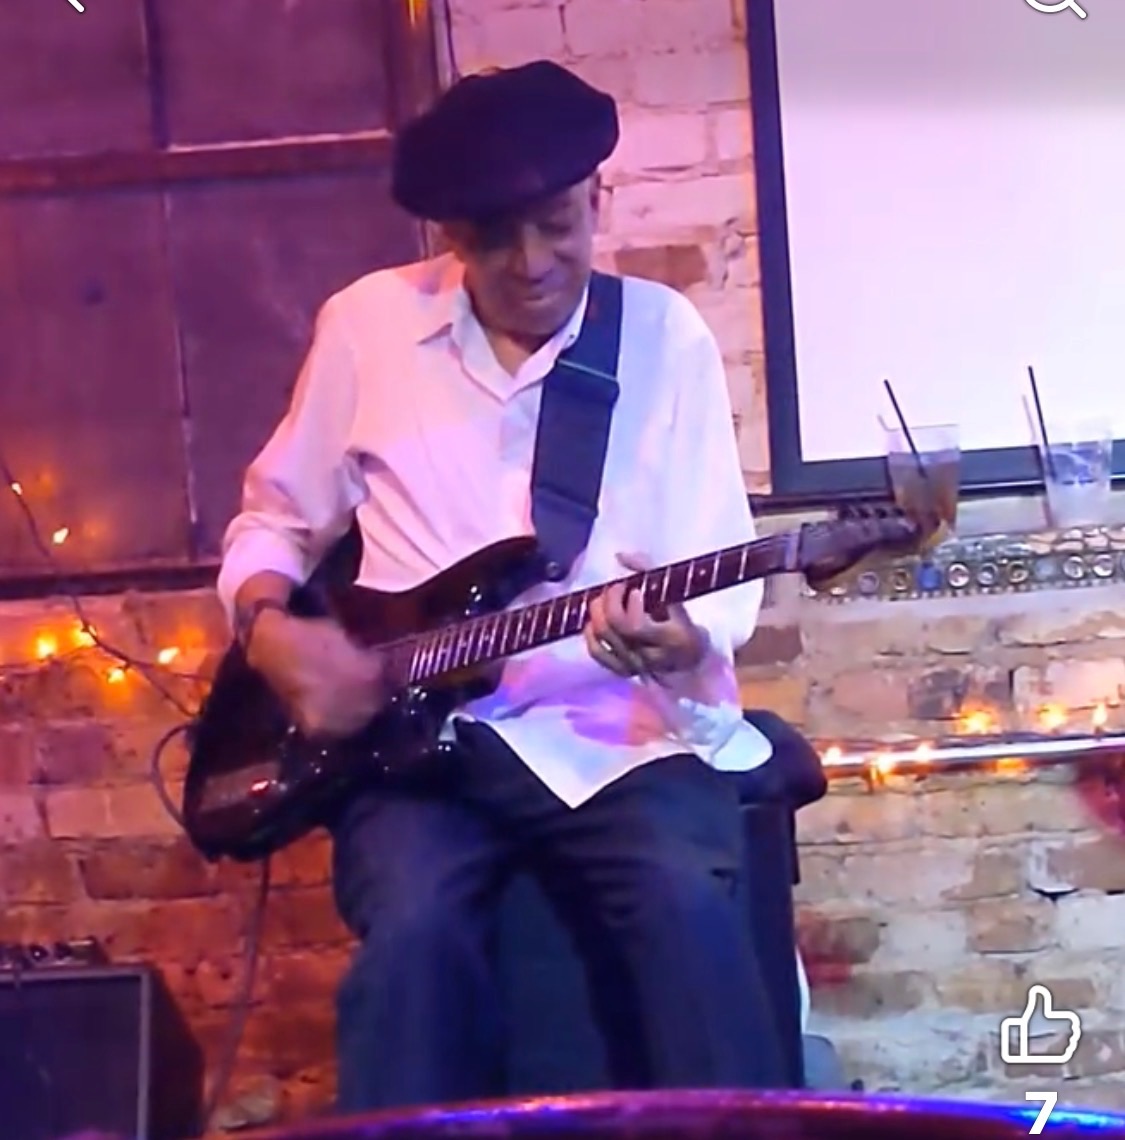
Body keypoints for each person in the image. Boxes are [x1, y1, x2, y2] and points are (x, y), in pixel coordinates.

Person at [216, 59, 787, 1111]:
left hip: (614, 733)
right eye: (491, 238)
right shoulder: (368, 328)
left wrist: (677, 638)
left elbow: (716, 577)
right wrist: (268, 627)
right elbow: (274, 522)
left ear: (596, 200)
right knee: (412, 934)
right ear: (445, 234)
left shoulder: (662, 339)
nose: (530, 264)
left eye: (556, 226)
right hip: (417, 749)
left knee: (683, 905)